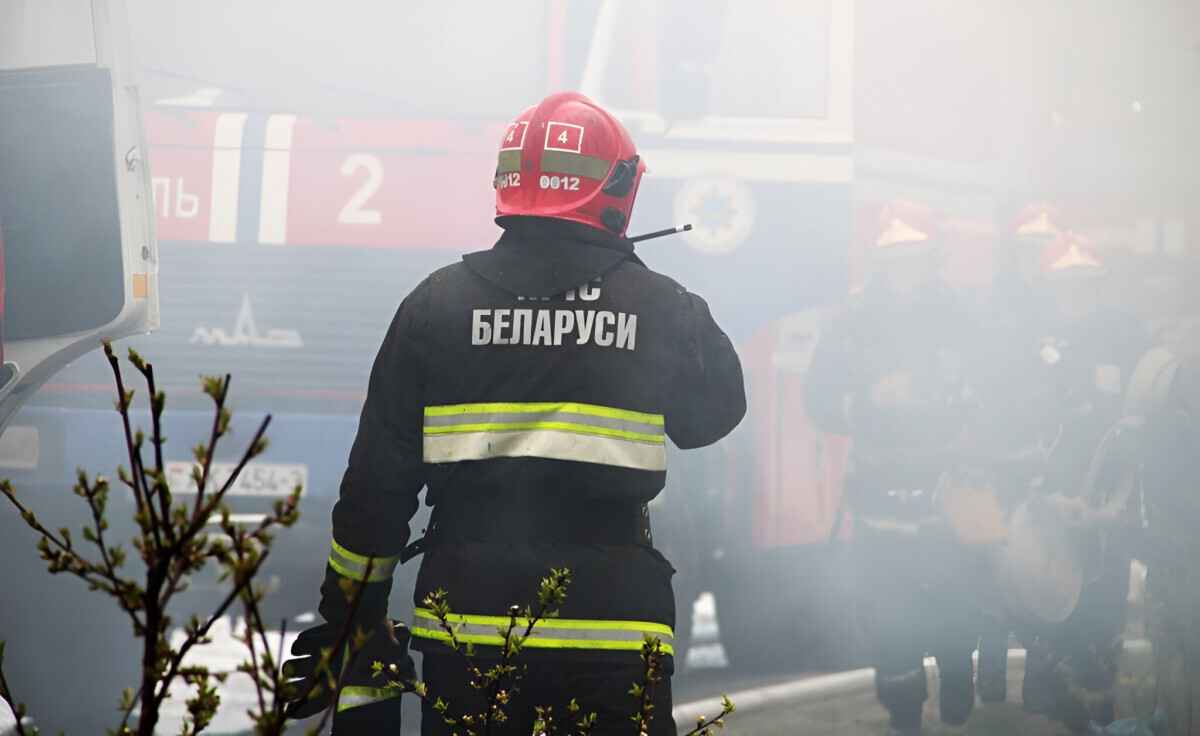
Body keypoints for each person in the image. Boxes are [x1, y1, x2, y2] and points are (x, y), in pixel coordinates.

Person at [283, 91, 746, 734]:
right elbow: (713, 418)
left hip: (467, 630)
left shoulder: (434, 307)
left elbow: (374, 493)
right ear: (615, 190)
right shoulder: (662, 307)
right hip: (614, 634)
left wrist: (350, 620)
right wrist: (634, 280)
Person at [807, 200, 983, 736]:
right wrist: (871, 400)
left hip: (953, 497)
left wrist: (963, 408)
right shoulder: (854, 323)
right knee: (891, 622)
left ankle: (957, 672)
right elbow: (817, 401)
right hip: (882, 499)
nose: (905, 269)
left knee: (958, 609)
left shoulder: (961, 318)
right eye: (896, 258)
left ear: (931, 259)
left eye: (915, 257)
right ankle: (905, 716)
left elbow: (998, 391)